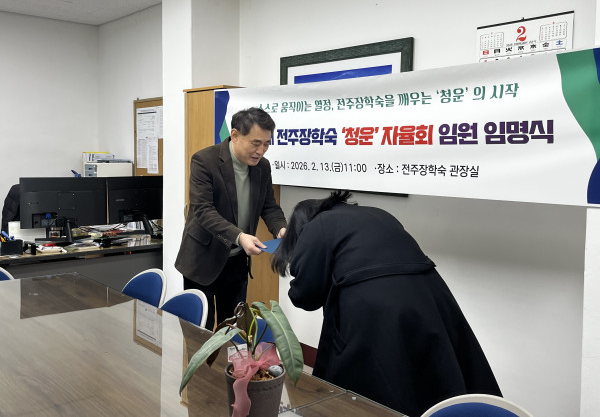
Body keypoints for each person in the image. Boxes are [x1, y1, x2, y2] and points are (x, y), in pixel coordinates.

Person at [271, 190, 501, 417]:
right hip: (429, 294)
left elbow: (306, 296)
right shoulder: (378, 213)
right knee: (434, 372)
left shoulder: (316, 226)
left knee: (377, 389)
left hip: (375, 307)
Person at [175, 107, 287, 330]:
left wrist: (281, 229)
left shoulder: (262, 167)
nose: (261, 151)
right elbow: (203, 210)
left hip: (236, 261)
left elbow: (269, 207)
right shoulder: (204, 161)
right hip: (202, 259)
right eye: (256, 143)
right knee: (199, 332)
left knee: (233, 331)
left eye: (266, 144)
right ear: (235, 135)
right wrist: (240, 236)